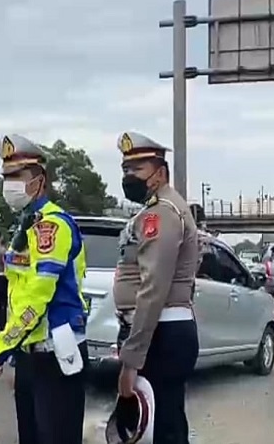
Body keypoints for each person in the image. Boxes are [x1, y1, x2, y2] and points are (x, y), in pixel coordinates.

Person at [0, 134, 89, 444]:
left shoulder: (51, 226)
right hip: (33, 355)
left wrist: (0, 348)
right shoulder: (27, 224)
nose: (9, 184)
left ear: (39, 181)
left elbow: (37, 297)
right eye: (5, 176)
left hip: (56, 354)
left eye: (17, 176)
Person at [110, 131, 200, 444]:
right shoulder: (157, 208)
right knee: (162, 424)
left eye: (136, 169)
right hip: (160, 332)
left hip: (162, 332)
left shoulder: (162, 212)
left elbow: (153, 288)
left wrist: (132, 359)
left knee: (161, 429)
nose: (128, 176)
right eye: (125, 169)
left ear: (159, 173)